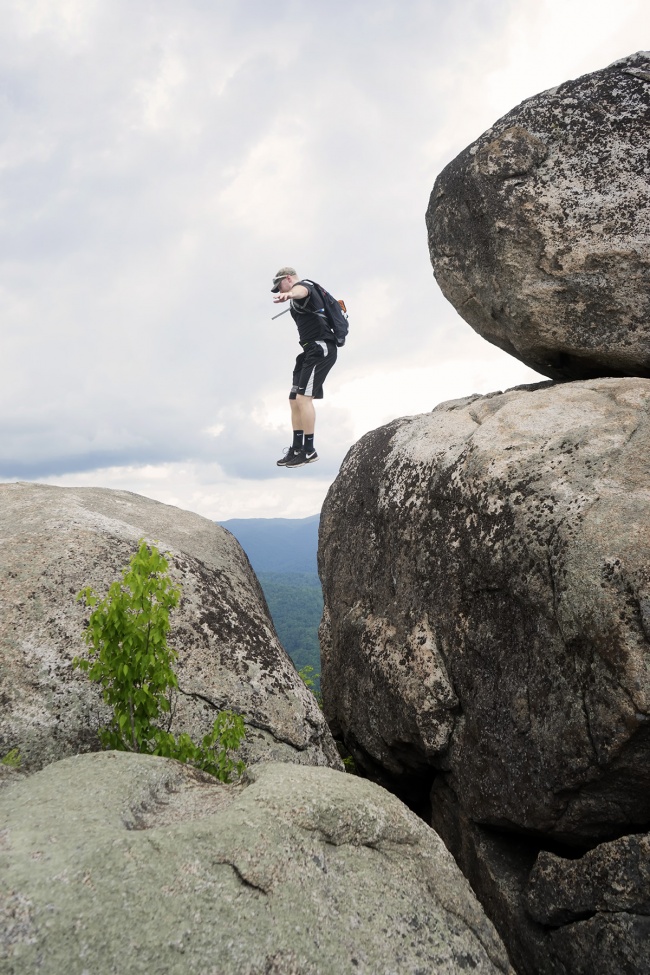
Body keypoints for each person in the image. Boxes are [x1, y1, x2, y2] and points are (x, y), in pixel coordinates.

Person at [271, 266, 339, 469]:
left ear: (288, 278)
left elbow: (302, 291)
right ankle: (297, 448)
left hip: (321, 347)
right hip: (309, 351)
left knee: (303, 399)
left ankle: (310, 451)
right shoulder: (296, 294)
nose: (279, 290)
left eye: (280, 285)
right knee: (294, 399)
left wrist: (290, 294)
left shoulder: (303, 287)